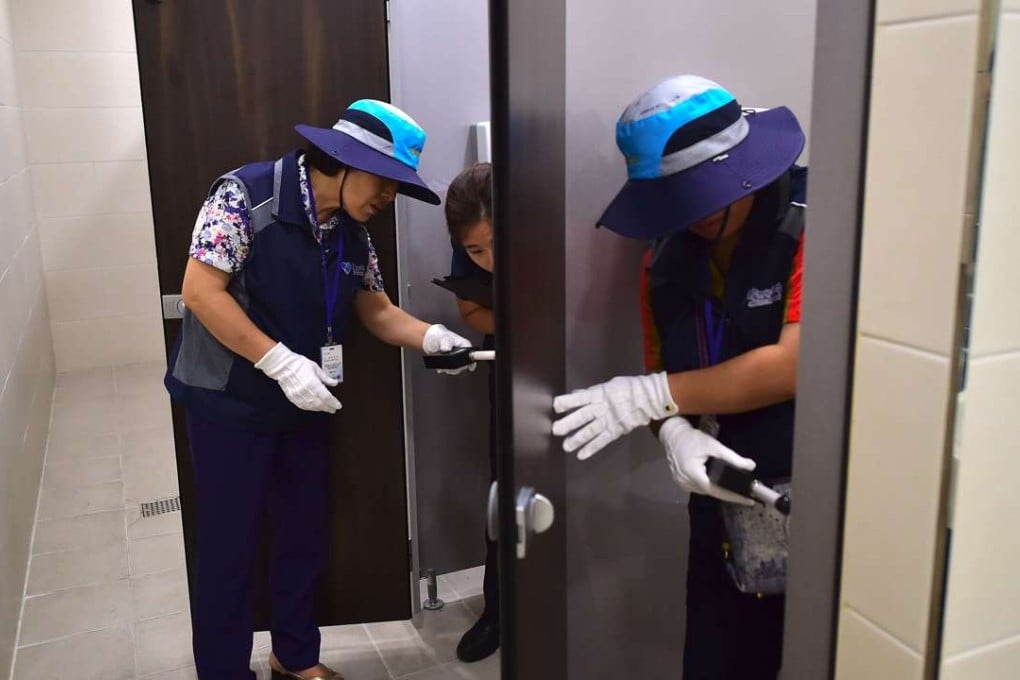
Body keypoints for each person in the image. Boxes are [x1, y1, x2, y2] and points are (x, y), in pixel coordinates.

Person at [164, 99, 473, 680]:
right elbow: (200, 293)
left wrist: (431, 337)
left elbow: (376, 309)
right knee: (230, 547)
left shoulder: (352, 232)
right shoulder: (243, 195)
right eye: (386, 182)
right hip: (227, 403)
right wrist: (280, 361)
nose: (389, 197)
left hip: (302, 405)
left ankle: (293, 656)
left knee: (302, 535)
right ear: (344, 160)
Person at [551, 75, 807, 678]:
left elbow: (796, 364)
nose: (689, 217)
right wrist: (672, 431)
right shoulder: (664, 262)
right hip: (719, 505)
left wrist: (651, 398)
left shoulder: (808, 225)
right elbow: (661, 371)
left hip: (810, 503)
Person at [441, 162, 501, 662]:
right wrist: (519, 322)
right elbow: (470, 311)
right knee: (505, 488)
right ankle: (497, 611)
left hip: (574, 360)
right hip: (507, 360)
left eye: (497, 244)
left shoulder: (554, 231)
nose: (489, 260)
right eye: (476, 252)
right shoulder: (465, 249)